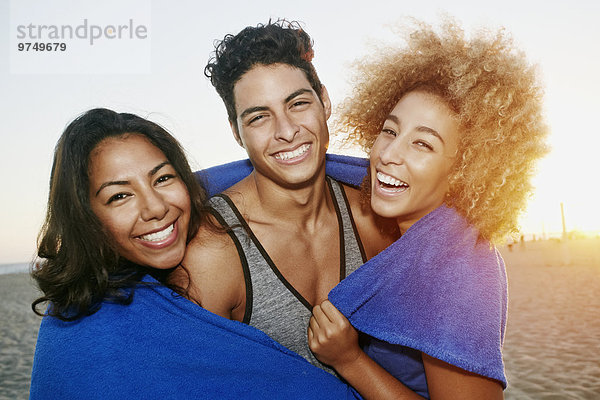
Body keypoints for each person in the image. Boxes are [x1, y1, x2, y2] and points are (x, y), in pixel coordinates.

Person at [29, 108, 360, 399]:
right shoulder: (87, 335)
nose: (156, 207)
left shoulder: (184, 274)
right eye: (119, 197)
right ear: (85, 217)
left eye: (162, 178)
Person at [307, 20, 548, 399]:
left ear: (464, 172)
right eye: (389, 130)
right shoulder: (420, 236)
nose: (387, 155)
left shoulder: (463, 269)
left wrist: (349, 360)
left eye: (423, 145)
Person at [171, 19, 398, 375]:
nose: (287, 132)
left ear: (324, 101)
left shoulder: (372, 219)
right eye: (259, 117)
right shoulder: (213, 252)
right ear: (236, 133)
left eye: (297, 104)